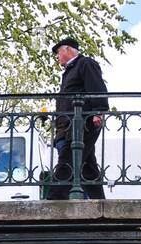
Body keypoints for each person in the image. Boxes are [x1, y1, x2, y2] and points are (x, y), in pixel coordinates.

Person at [46, 37, 109, 200]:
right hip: (70, 124)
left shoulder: (85, 63)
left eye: (58, 52)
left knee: (68, 158)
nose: (57, 57)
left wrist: (99, 111)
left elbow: (97, 86)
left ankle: (54, 199)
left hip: (84, 122)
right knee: (87, 166)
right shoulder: (70, 70)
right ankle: (98, 201)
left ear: (67, 49)